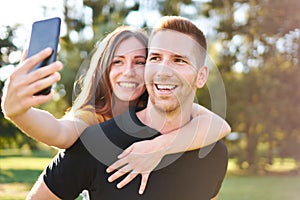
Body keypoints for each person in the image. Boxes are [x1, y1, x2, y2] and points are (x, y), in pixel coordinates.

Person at [25, 16, 228, 200]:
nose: (163, 70)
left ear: (201, 76)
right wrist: (18, 111)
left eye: (179, 60)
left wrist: (158, 147)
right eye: (155, 58)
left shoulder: (214, 152)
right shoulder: (95, 142)